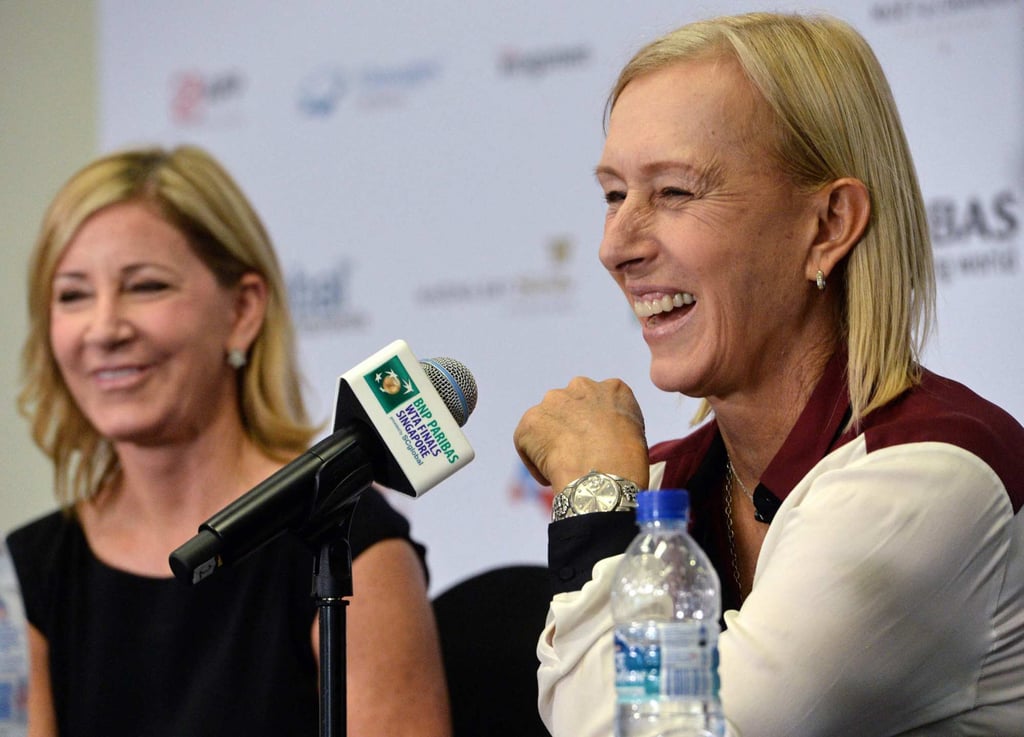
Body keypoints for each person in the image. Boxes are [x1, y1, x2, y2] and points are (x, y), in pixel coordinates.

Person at [513, 11, 1024, 737]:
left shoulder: (927, 480)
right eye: (614, 194)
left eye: (675, 192)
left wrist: (596, 504)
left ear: (828, 224)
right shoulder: (662, 489)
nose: (613, 245)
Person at [6, 145, 451, 737]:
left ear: (242, 311)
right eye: (72, 295)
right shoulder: (31, 569)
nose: (104, 328)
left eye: (145, 286)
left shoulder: (347, 539)